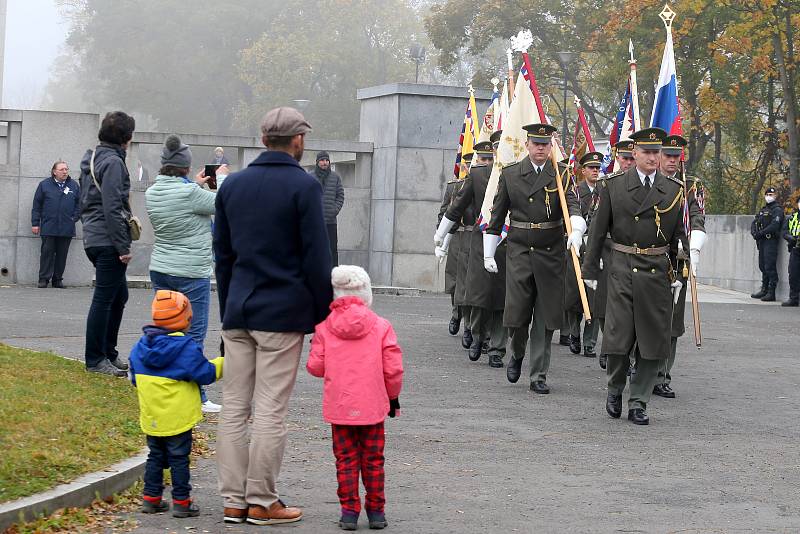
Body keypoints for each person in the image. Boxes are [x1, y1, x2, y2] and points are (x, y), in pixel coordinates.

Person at [214, 107, 332, 526]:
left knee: (233, 408)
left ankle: (232, 501)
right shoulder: (304, 187)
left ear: (263, 140)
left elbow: (222, 256)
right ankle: (262, 501)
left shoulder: (233, 185)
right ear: (297, 140)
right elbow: (317, 258)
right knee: (269, 411)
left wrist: (229, 308)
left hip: (239, 309)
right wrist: (323, 314)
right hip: (282, 313)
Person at [582, 127, 686, 426]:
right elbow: (598, 231)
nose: (654, 157)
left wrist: (680, 272)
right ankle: (615, 387)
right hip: (622, 267)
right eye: (648, 152)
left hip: (656, 271)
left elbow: (680, 236)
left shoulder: (674, 189)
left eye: (657, 152)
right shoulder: (612, 186)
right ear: (635, 154)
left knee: (653, 341)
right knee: (618, 336)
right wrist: (590, 270)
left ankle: (639, 400)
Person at [484, 123, 584, 395]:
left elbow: (572, 204)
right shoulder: (512, 174)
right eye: (536, 144)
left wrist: (576, 228)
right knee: (517, 315)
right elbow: (497, 216)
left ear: (551, 146)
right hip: (519, 251)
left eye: (545, 144)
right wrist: (488, 252)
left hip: (550, 254)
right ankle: (516, 353)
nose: (541, 149)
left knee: (544, 316)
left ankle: (538, 374)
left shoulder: (561, 174)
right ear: (527, 145)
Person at [306, 265, 403, 531]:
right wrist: (392, 397)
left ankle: (349, 511)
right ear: (367, 294)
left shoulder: (325, 327)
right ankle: (376, 511)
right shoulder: (382, 326)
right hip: (372, 407)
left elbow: (315, 368)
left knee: (345, 459)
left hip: (340, 406)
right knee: (373, 460)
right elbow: (392, 369)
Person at [145, 134, 227, 413]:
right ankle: (197, 395)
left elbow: (182, 199)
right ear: (184, 167)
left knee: (166, 328)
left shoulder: (153, 192)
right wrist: (223, 178)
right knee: (193, 333)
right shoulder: (192, 194)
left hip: (161, 268)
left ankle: (163, 381)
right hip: (191, 271)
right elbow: (223, 203)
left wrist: (196, 184)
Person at [130, 290, 224, 518]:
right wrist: (224, 362)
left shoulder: (142, 346)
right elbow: (205, 374)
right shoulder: (185, 348)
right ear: (186, 319)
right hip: (179, 419)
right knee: (179, 459)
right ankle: (182, 501)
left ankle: (151, 499)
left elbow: (134, 378)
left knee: (155, 456)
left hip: (152, 416)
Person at [435, 138, 507, 367]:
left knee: (502, 298)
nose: (489, 160)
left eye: (492, 156)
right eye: (484, 157)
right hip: (478, 241)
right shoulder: (476, 176)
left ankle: (496, 348)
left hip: (506, 243)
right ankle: (476, 334)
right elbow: (455, 208)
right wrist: (442, 235)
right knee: (478, 296)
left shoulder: (513, 173)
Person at [79, 111, 136, 377]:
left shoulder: (93, 158)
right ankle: (96, 359)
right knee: (104, 299)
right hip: (108, 239)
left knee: (118, 295)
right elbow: (113, 207)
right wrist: (123, 247)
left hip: (94, 235)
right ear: (126, 138)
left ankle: (108, 353)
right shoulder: (113, 163)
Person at [653, 134, 706, 399]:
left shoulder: (690, 186)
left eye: (677, 156)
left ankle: (662, 376)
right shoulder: (648, 182)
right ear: (658, 155)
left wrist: (693, 245)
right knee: (645, 319)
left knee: (671, 324)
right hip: (649, 260)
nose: (672, 161)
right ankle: (641, 368)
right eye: (668, 155)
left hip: (677, 263)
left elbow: (697, 216)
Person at [596, 140, 637, 370]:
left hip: (631, 252)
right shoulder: (606, 184)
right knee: (605, 305)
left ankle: (626, 355)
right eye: (625, 158)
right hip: (609, 250)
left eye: (632, 158)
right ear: (617, 159)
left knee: (630, 309)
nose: (628, 162)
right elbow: (597, 220)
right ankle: (608, 346)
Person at [563, 152, 603, 358]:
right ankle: (574, 333)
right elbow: (573, 213)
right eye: (591, 168)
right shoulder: (575, 192)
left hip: (596, 246)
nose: (595, 171)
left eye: (598, 168)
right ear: (583, 170)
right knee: (573, 294)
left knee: (594, 296)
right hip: (577, 246)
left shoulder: (605, 191)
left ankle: (590, 342)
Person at [31, 160, 81, 288]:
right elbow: (37, 205)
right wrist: (35, 223)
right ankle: (43, 279)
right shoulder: (44, 185)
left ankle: (57, 280)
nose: (65, 172)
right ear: (54, 172)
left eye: (66, 169)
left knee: (62, 255)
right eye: (62, 169)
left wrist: (74, 218)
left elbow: (80, 205)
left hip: (66, 227)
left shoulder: (74, 185)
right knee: (47, 253)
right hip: (49, 226)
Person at [311, 151, 345, 266]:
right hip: (314, 222)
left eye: (326, 160)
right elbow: (305, 196)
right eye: (322, 160)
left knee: (332, 251)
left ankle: (333, 277)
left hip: (331, 222)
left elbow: (340, 196)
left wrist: (334, 210)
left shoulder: (335, 177)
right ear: (317, 162)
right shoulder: (310, 176)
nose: (324, 163)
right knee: (314, 250)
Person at [751, 186, 784, 301]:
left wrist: (761, 233)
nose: (769, 197)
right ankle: (764, 289)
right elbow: (755, 222)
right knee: (762, 265)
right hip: (762, 241)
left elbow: (775, 225)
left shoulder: (777, 210)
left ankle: (771, 292)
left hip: (771, 241)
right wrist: (754, 232)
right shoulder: (763, 209)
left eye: (771, 195)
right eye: (767, 195)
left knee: (770, 266)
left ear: (775, 196)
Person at [781, 197, 800, 307]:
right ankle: (793, 298)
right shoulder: (793, 217)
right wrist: (789, 237)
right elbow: (784, 231)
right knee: (793, 274)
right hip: (795, 249)